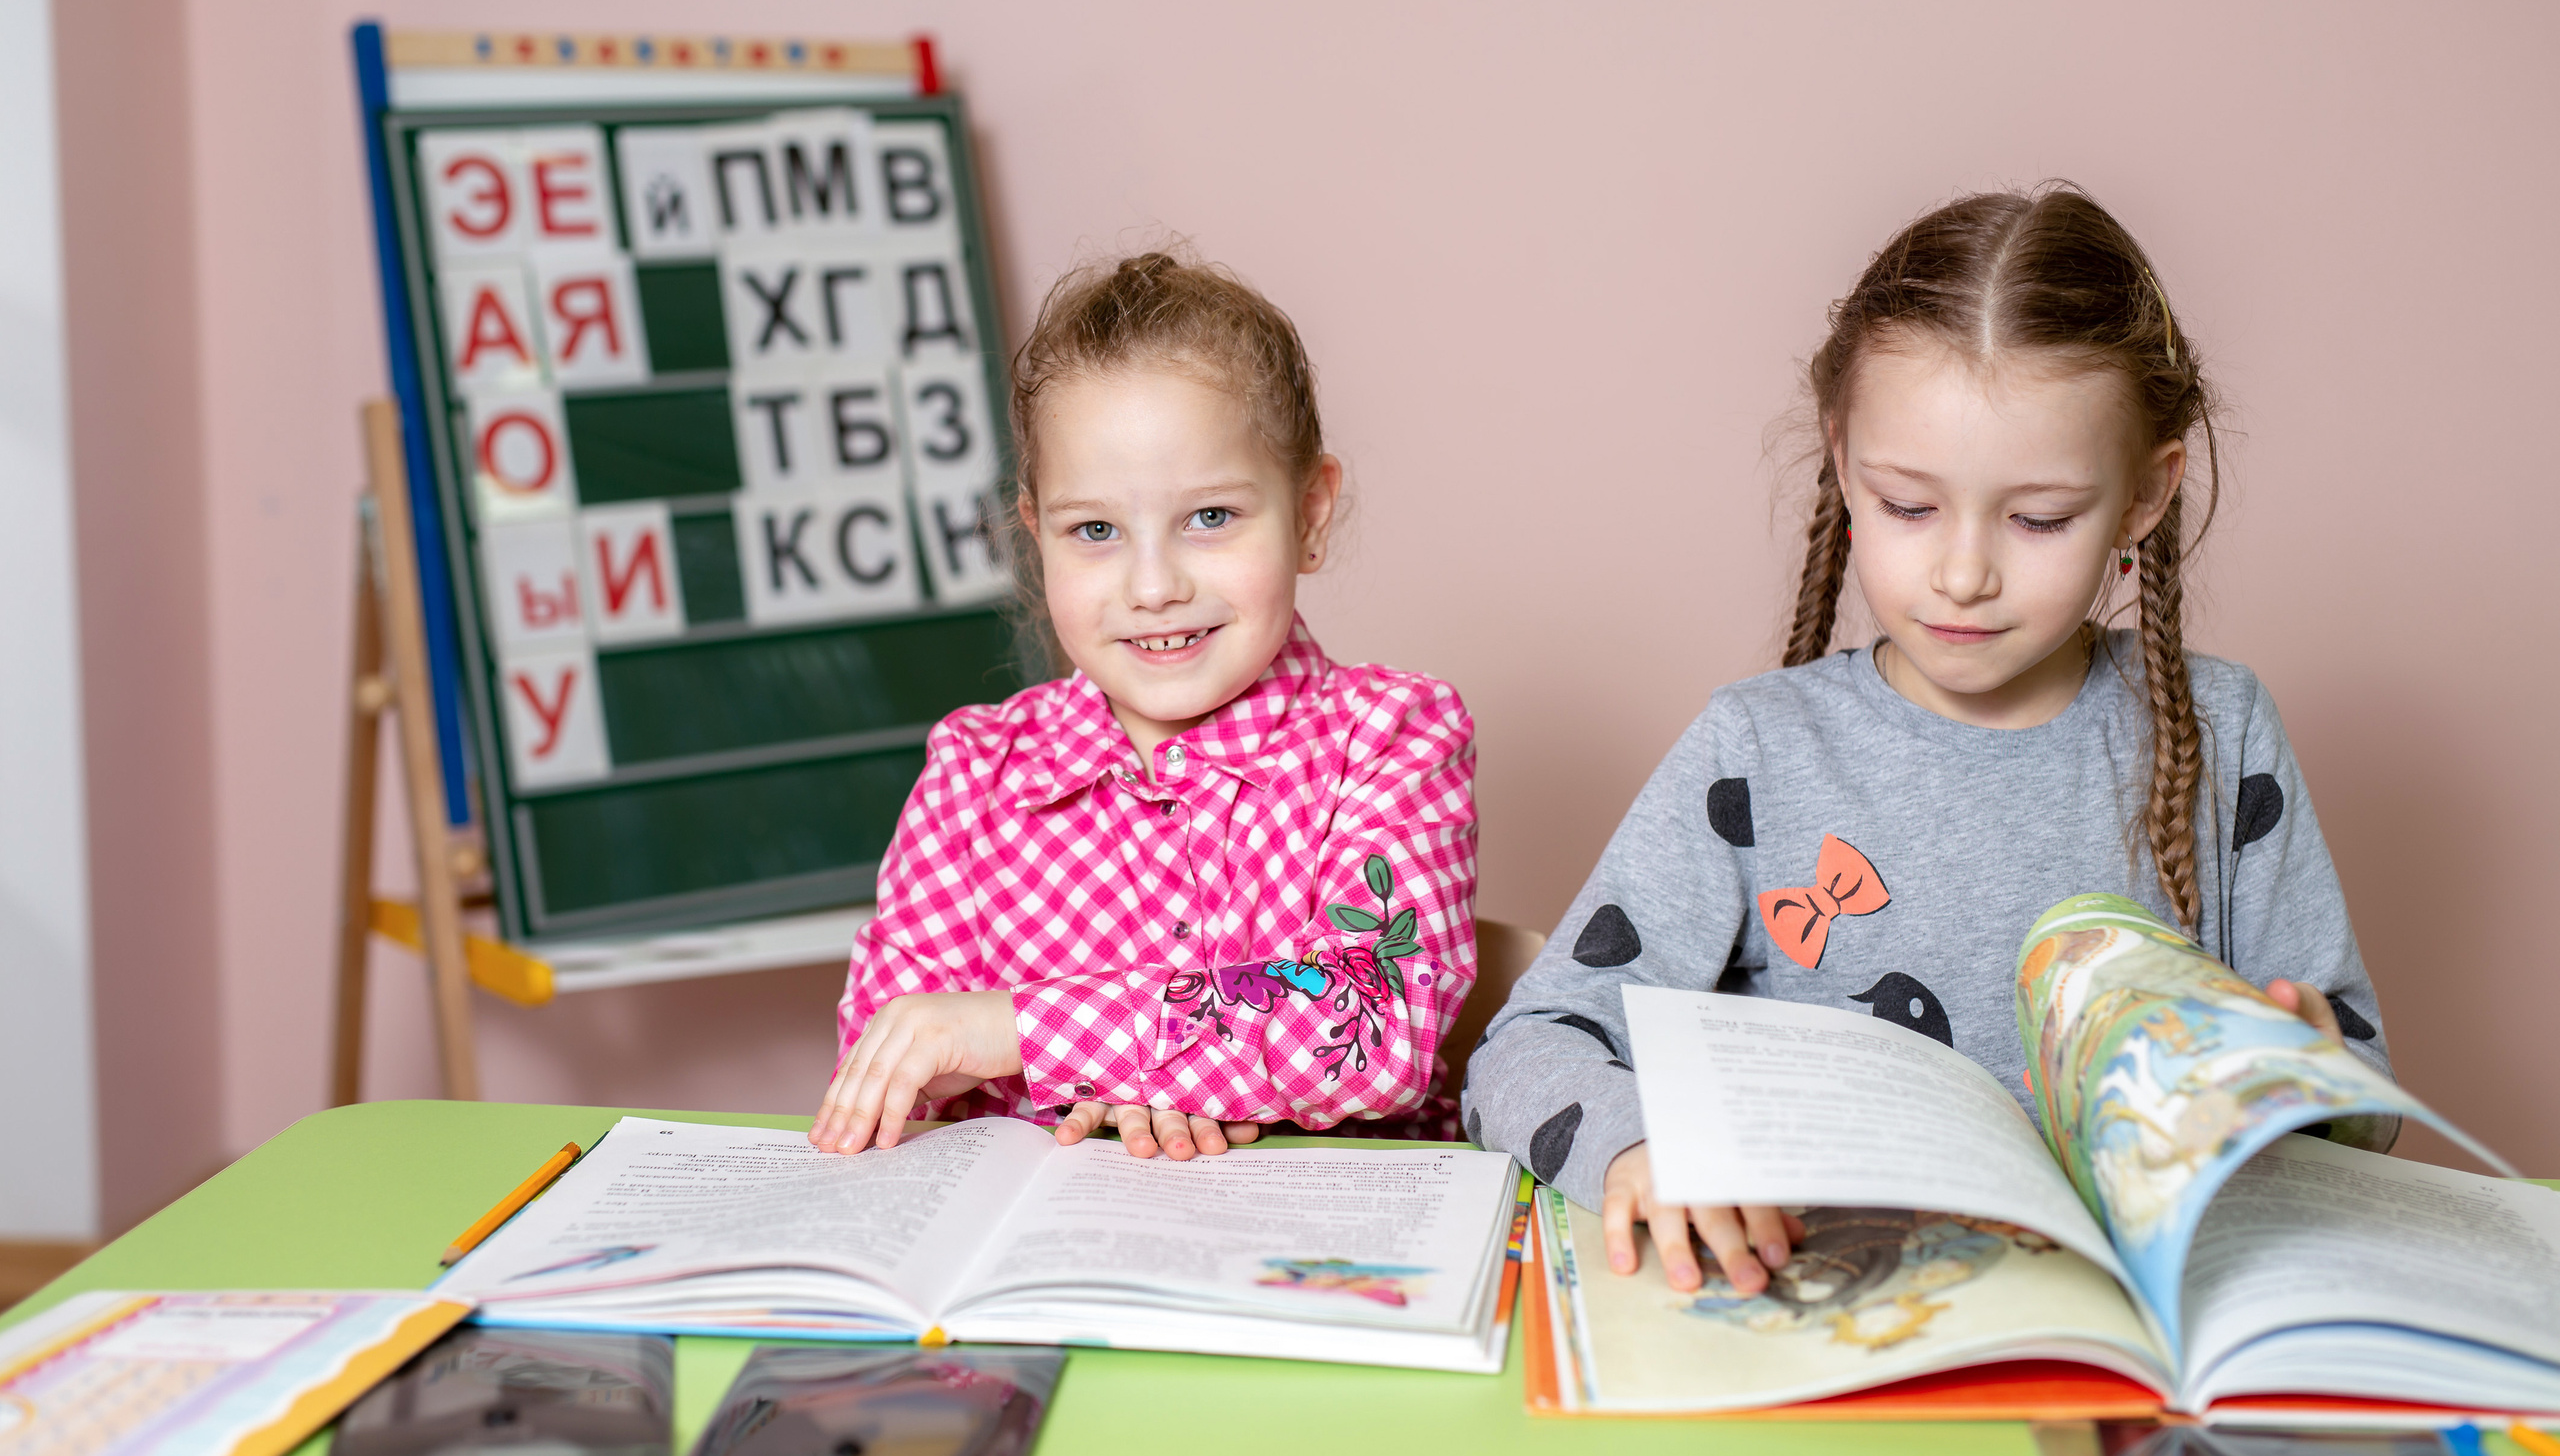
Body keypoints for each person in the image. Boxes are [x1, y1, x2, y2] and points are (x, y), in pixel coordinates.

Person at [1463, 185, 2392, 1296]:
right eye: (1907, 505)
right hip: (1821, 1309)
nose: (1962, 573)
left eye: (2038, 519)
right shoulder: (1755, 752)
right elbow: (1523, 1050)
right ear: (1841, 460)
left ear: (2146, 493)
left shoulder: (2222, 734)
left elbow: (2362, 1105)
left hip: (2121, 1323)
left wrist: (2301, 1083)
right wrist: (1637, 1151)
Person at [811, 250, 1477, 1160]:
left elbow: (1371, 1025)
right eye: (1094, 530)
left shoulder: (1391, 738)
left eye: (1210, 517)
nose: (1154, 584)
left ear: (1311, 514)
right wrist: (1162, 1064)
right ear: (1033, 531)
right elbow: (893, 1060)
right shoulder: (974, 772)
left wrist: (1022, 1031)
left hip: (1315, 1262)